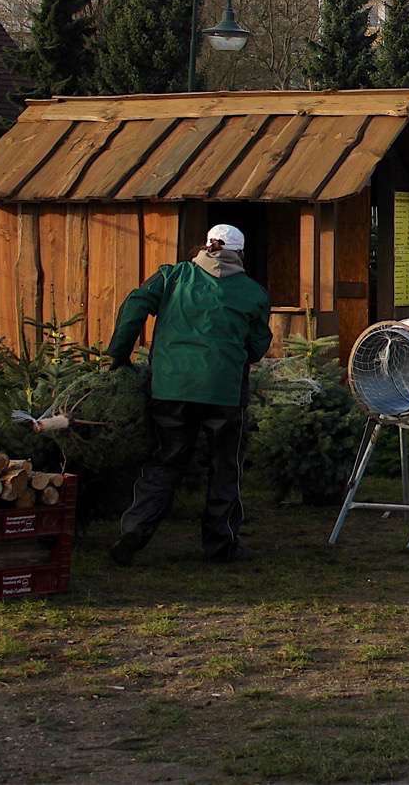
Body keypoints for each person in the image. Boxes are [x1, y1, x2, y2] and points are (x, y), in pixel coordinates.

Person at [106, 224, 271, 565]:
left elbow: (135, 304)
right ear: (240, 254)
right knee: (224, 467)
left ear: (204, 246)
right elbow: (257, 345)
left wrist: (119, 355)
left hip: (170, 388)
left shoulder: (172, 276)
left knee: (165, 462)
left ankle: (135, 530)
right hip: (224, 392)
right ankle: (221, 545)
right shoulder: (253, 293)